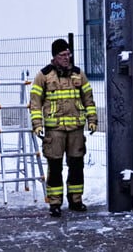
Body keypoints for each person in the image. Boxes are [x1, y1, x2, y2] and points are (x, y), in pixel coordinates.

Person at [29, 38, 97, 216]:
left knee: (76, 165)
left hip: (75, 129)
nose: (67, 58)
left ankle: (76, 200)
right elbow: (35, 104)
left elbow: (88, 99)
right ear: (54, 57)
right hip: (55, 130)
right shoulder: (43, 76)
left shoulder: (78, 74)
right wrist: (37, 125)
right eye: (62, 55)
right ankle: (55, 202)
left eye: (68, 54)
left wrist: (92, 119)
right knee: (55, 166)